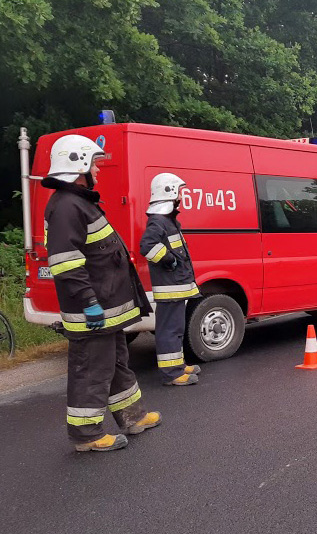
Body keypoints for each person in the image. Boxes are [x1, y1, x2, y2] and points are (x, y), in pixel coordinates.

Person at [42, 135, 159, 452]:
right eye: (94, 163)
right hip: (93, 311)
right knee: (92, 370)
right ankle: (87, 435)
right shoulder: (67, 206)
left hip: (107, 310)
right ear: (78, 164)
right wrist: (90, 303)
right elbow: (66, 264)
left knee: (116, 363)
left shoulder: (79, 202)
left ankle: (133, 417)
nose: (99, 169)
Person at [140, 173, 202, 386]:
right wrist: (168, 260)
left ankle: (178, 364)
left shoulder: (167, 220)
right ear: (170, 193)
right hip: (170, 287)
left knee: (176, 329)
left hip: (176, 286)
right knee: (169, 330)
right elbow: (146, 247)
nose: (182, 198)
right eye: (180, 193)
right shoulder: (159, 221)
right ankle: (172, 374)